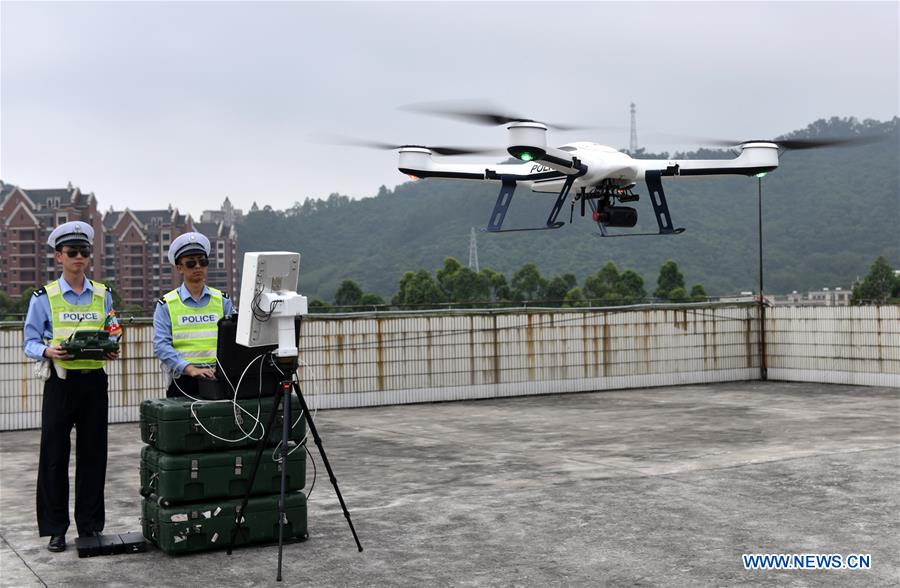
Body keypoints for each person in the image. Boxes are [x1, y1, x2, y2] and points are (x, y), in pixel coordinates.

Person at [23, 221, 119, 553]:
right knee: (54, 457)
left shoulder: (103, 294)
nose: (79, 257)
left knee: (94, 456)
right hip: (60, 383)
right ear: (59, 256)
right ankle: (55, 530)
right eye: (72, 252)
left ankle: (89, 526)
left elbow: (112, 328)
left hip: (94, 382)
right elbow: (29, 342)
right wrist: (48, 351)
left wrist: (112, 346)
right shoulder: (44, 297)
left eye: (84, 251)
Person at [153, 232, 233, 398]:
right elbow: (161, 345)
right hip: (183, 381)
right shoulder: (166, 305)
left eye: (202, 262)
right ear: (179, 268)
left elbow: (234, 339)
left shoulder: (223, 301)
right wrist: (189, 369)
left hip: (218, 378)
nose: (198, 266)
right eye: (191, 263)